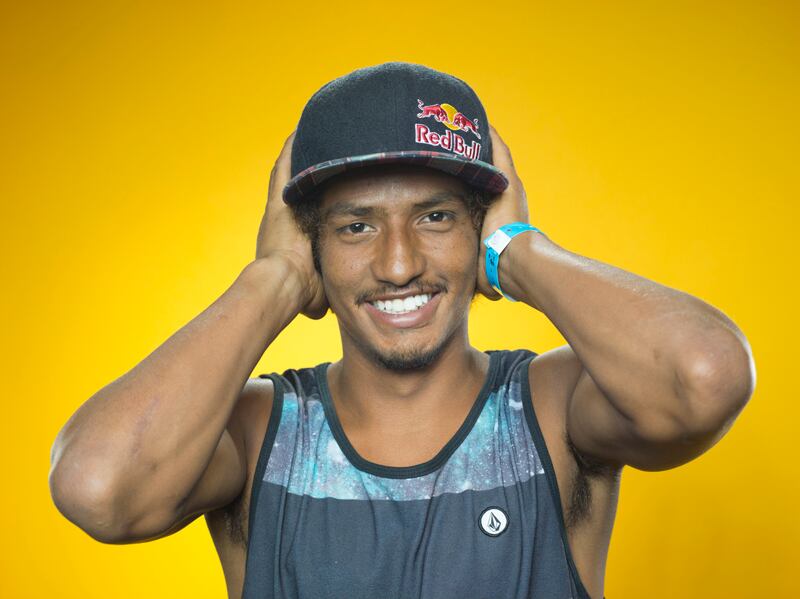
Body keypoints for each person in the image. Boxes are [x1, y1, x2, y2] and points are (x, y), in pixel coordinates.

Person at [48, 62, 755, 599]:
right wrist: (274, 280)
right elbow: (97, 487)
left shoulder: (551, 407)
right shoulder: (258, 433)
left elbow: (705, 378)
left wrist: (517, 250)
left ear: (478, 227)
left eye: (436, 217)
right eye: (356, 226)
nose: (398, 264)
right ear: (313, 247)